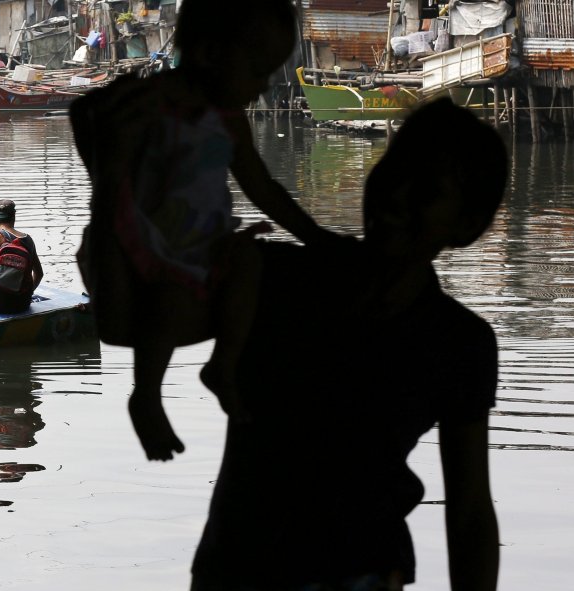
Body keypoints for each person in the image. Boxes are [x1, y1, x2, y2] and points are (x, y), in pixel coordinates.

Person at [191, 98, 505, 591]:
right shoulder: (268, 279)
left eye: (426, 189)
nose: (397, 196)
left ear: (468, 227)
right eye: (393, 170)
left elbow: (469, 514)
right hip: (238, 569)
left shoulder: (458, 342)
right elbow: (133, 320)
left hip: (363, 572)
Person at [69, 0, 329, 461]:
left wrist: (319, 239)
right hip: (142, 241)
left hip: (205, 245)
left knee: (250, 259)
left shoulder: (228, 120)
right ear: (210, 55)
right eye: (257, 71)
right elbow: (84, 116)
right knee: (167, 302)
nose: (266, 84)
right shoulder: (150, 103)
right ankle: (146, 395)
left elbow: (263, 189)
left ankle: (222, 368)